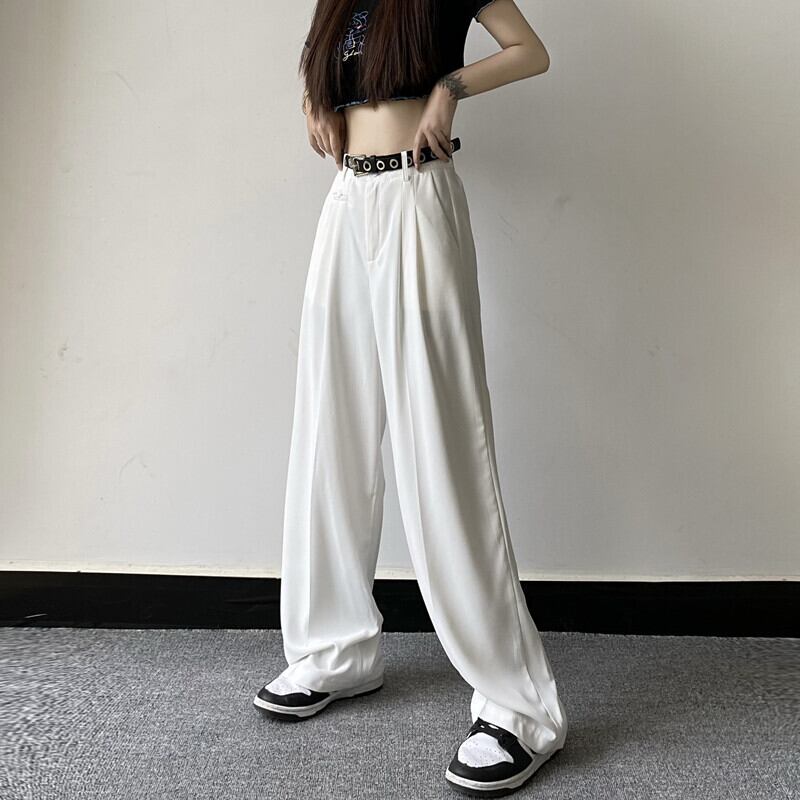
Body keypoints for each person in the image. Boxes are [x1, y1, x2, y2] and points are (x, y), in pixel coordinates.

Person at [254, 0, 567, 794]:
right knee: (330, 427)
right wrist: (314, 102)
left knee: (440, 437)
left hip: (417, 197)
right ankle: (336, 651)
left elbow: (530, 50)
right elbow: (329, 70)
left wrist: (449, 89)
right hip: (347, 204)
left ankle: (519, 709)